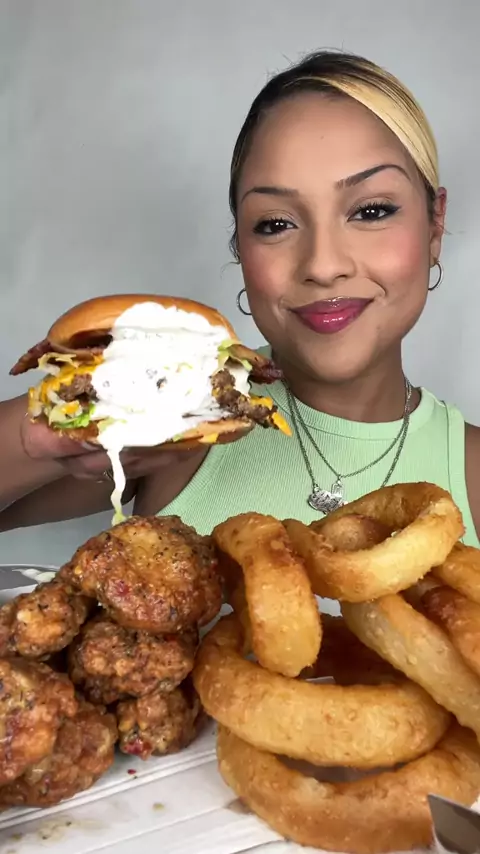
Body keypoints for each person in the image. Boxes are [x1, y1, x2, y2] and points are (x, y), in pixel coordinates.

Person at [1, 50, 479, 545]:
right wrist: (35, 436)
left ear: (435, 226)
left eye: (372, 211)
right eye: (275, 224)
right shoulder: (180, 423)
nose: (322, 265)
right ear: (240, 246)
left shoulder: (471, 469)